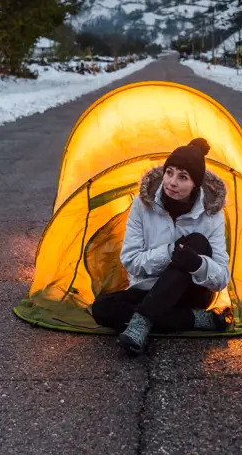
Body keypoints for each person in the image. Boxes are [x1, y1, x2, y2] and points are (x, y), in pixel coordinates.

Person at [91, 137, 232, 355]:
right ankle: (197, 319)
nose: (172, 182)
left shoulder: (211, 213)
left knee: (196, 242)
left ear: (196, 184)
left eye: (183, 177)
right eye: (170, 172)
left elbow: (222, 277)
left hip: (191, 292)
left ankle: (143, 321)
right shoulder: (142, 205)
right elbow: (130, 261)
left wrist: (197, 264)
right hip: (149, 290)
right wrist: (168, 253)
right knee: (101, 309)